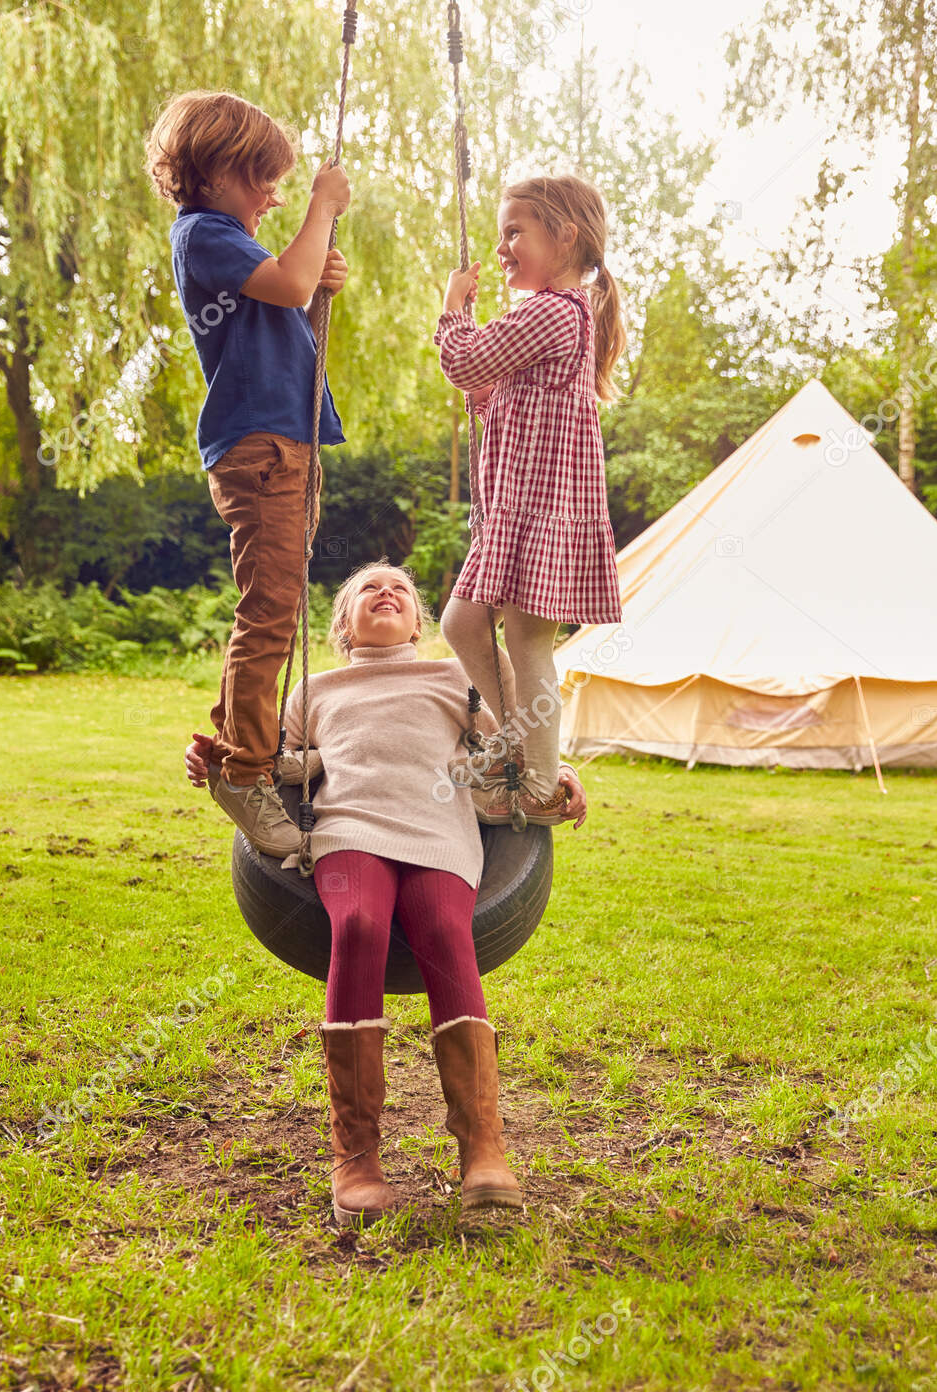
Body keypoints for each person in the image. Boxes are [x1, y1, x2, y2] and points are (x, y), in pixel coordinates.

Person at [184, 559, 588, 1227]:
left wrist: (559, 772)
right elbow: (272, 765)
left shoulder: (454, 678)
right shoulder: (313, 690)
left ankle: (482, 1147)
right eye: (366, 588)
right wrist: (215, 760)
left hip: (441, 832)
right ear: (342, 624)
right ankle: (356, 1156)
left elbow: (515, 753)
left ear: (419, 621)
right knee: (362, 927)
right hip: (347, 832)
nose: (385, 591)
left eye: (398, 587)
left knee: (443, 932)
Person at [145, 89, 350, 858]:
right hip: (259, 448)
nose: (274, 193)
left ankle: (244, 743)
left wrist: (314, 277)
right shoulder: (204, 234)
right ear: (219, 169)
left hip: (281, 443)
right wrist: (321, 210)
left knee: (275, 602)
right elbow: (290, 286)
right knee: (268, 613)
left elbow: (289, 296)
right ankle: (245, 770)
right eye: (263, 178)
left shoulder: (232, 241)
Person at [434, 174, 626, 824]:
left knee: (524, 640)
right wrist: (485, 393)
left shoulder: (551, 310)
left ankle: (538, 785)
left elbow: (465, 363)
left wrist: (453, 309)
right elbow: (501, 404)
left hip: (540, 513)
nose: (503, 248)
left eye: (515, 232)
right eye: (500, 235)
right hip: (524, 509)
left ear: (564, 235)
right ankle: (524, 754)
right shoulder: (558, 316)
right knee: (472, 626)